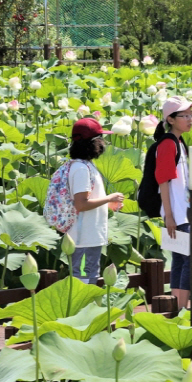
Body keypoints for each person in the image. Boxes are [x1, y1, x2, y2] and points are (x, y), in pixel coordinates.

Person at [154, 96, 192, 309]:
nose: (190, 119)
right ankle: (182, 308)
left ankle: (177, 306)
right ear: (171, 120)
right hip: (177, 213)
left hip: (183, 210)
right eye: (185, 115)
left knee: (182, 260)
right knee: (188, 260)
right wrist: (169, 215)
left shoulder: (179, 142)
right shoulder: (167, 144)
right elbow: (162, 180)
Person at [67, 118, 124, 284]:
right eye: (100, 138)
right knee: (84, 281)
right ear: (92, 143)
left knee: (91, 276)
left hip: (90, 235)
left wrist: (108, 204)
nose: (103, 143)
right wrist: (109, 197)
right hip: (83, 237)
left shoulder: (85, 166)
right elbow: (81, 204)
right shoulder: (81, 169)